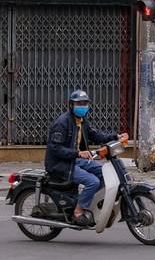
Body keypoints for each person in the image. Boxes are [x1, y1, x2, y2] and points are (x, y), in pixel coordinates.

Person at [44, 89, 127, 227]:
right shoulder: (62, 123)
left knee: (104, 173)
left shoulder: (82, 121)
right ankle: (78, 211)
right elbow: (55, 148)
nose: (82, 106)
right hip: (60, 163)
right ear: (71, 105)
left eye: (85, 103)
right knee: (92, 181)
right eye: (79, 104)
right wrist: (78, 153)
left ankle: (87, 203)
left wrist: (116, 136)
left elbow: (96, 135)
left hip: (75, 160)